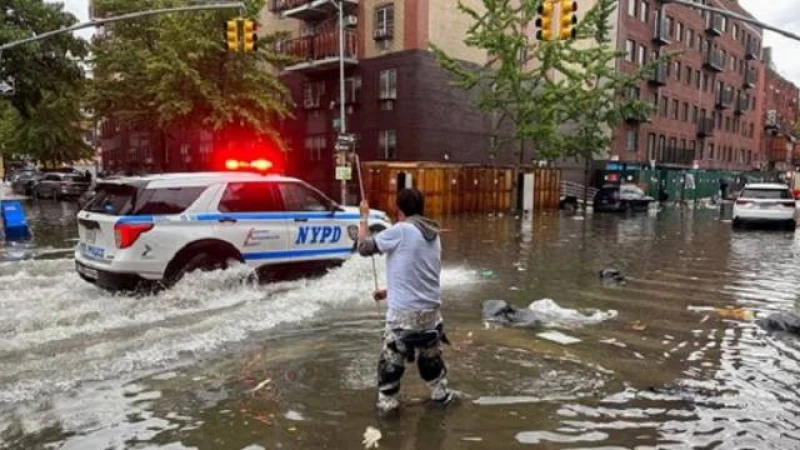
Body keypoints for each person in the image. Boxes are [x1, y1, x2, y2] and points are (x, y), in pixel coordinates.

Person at [357, 188, 454, 412]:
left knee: (391, 363)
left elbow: (363, 247)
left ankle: (388, 408)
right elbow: (420, 276)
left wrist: (363, 217)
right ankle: (440, 395)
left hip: (403, 317)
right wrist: (388, 291)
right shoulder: (433, 234)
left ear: (398, 211)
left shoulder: (400, 230)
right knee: (431, 361)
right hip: (432, 316)